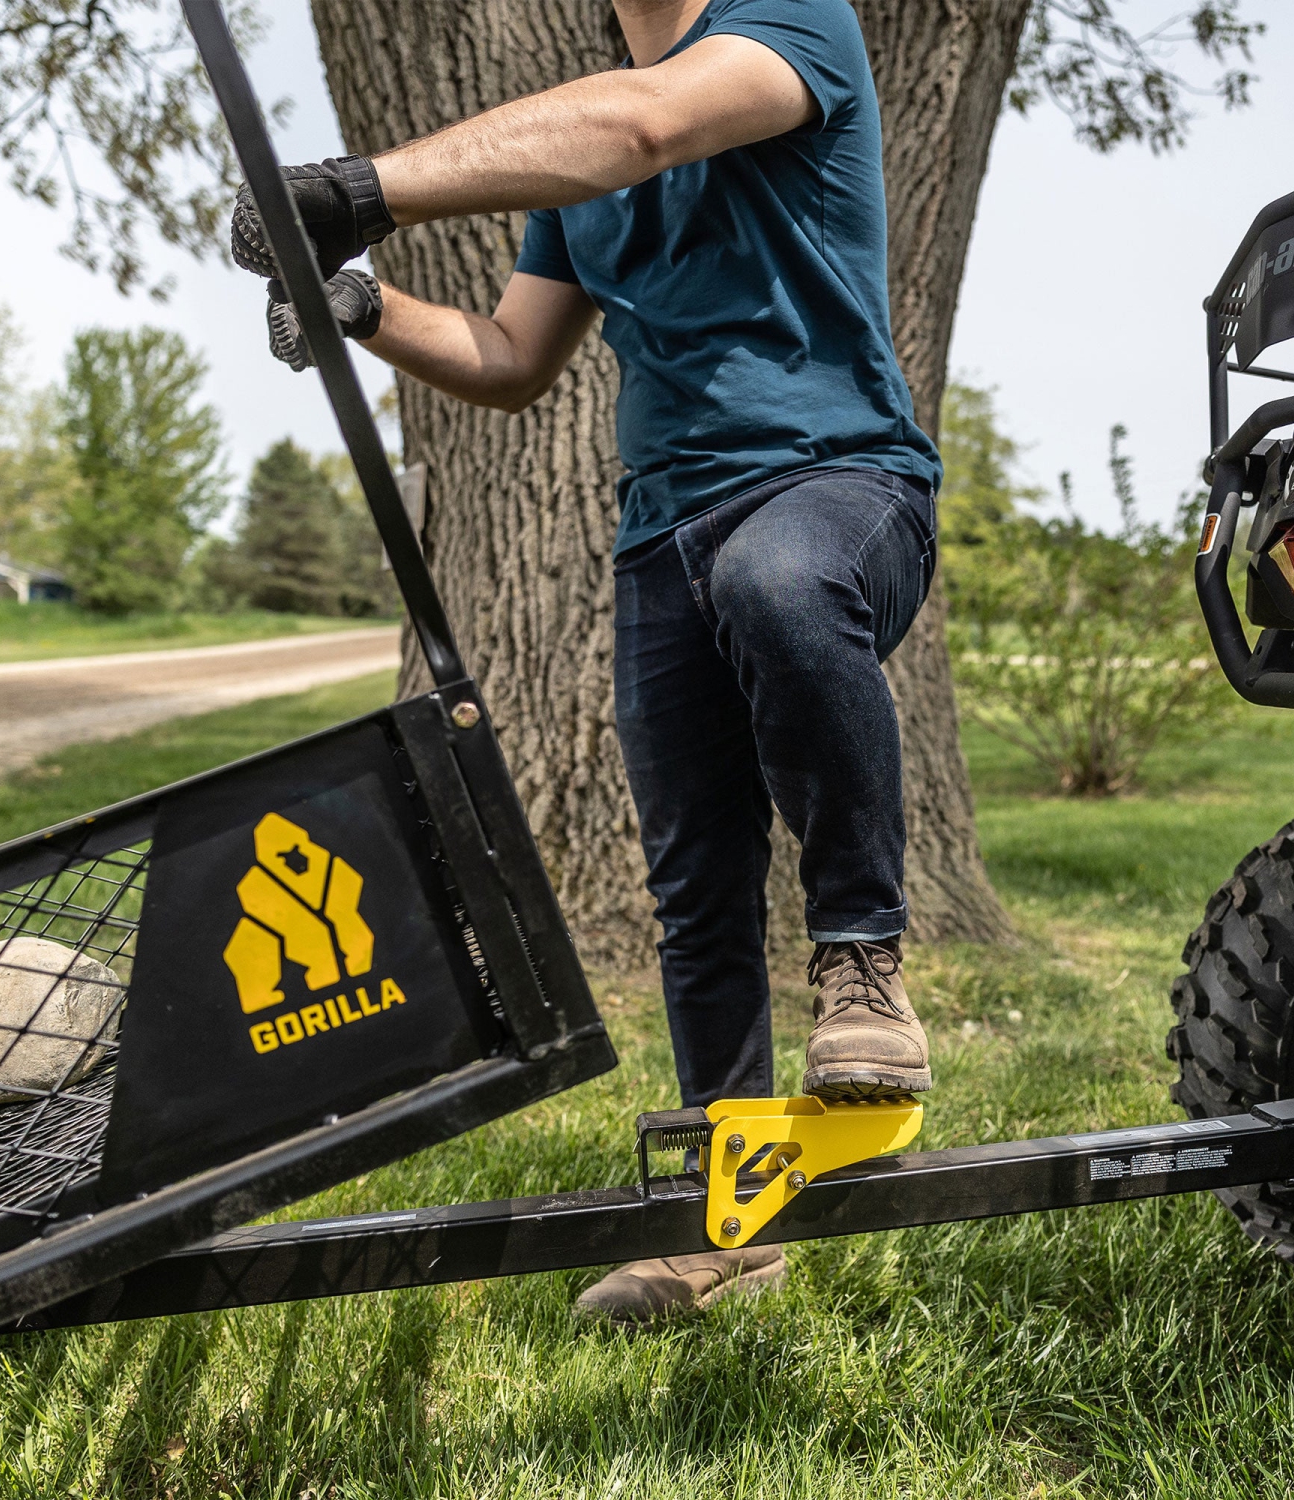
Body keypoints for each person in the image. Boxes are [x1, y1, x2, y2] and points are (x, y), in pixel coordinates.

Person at [232, 0, 941, 1326]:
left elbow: (644, 126)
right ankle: (730, 1224)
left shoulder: (792, 25)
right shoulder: (577, 160)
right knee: (694, 873)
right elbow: (509, 356)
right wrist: (365, 305)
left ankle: (863, 963)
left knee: (776, 580)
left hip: (844, 488)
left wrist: (353, 190)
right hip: (659, 535)